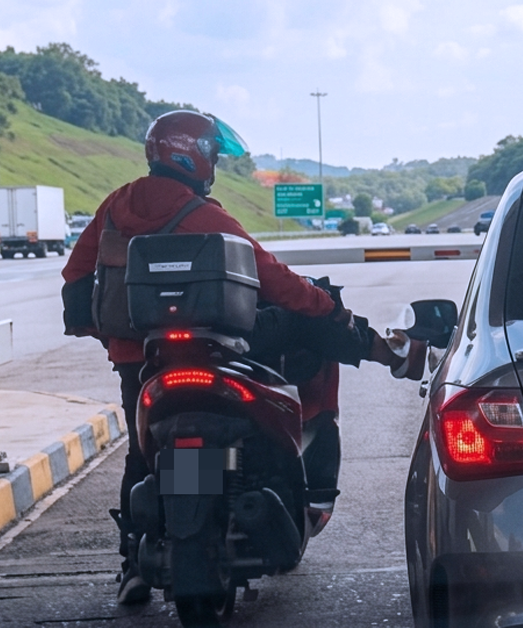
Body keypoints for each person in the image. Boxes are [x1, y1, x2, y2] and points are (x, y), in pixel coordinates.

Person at [61, 110, 425, 604]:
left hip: (142, 360)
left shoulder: (113, 206)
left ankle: (132, 566)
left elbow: (77, 281)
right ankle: (386, 353)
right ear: (194, 156)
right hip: (213, 351)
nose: (213, 165)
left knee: (144, 455)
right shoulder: (201, 214)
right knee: (312, 308)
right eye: (211, 154)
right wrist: (327, 308)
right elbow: (274, 279)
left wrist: (113, 338)